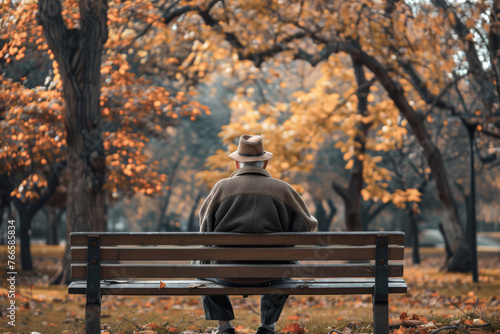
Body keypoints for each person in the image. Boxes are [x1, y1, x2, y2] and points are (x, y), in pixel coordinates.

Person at [198, 134, 318, 334]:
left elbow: (204, 232)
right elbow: (306, 226)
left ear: (237, 163)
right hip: (271, 273)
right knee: (288, 262)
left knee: (200, 262)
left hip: (225, 272)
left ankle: (224, 326)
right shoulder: (283, 189)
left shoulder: (220, 188)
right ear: (265, 163)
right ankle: (267, 326)